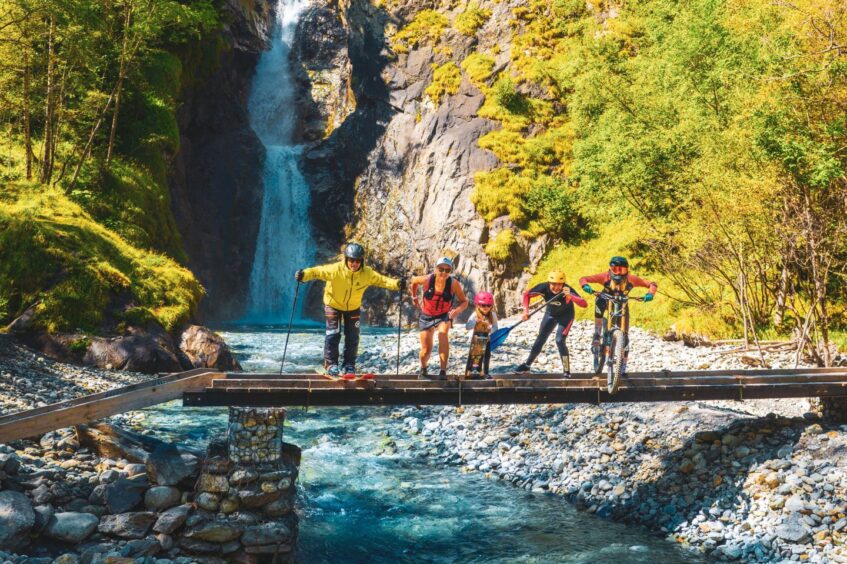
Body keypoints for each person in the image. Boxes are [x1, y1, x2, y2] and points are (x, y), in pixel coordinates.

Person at [296, 242, 403, 376]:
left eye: (358, 261)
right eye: (352, 260)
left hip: (352, 307)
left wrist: (397, 284)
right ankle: (331, 365)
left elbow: (382, 280)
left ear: (361, 261)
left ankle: (349, 365)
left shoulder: (367, 273)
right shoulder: (335, 270)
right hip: (332, 304)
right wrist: (303, 275)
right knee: (333, 334)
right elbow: (317, 271)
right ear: (346, 259)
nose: (354, 263)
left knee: (353, 337)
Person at [579, 256, 657, 374]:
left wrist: (650, 293)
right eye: (615, 269)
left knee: (625, 336)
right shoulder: (605, 276)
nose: (618, 272)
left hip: (622, 305)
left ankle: (623, 365)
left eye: (621, 269)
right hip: (605, 300)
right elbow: (583, 279)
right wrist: (585, 286)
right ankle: (597, 332)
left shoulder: (632, 279)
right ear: (610, 269)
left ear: (627, 270)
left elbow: (652, 284)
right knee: (599, 301)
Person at [515, 270, 587, 377]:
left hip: (566, 316)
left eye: (559, 284)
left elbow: (584, 304)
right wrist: (526, 311)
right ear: (549, 283)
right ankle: (527, 366)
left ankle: (566, 371)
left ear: (563, 284)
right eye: (553, 284)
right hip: (550, 315)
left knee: (559, 341)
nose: (556, 287)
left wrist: (571, 297)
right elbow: (526, 294)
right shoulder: (543, 287)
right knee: (540, 339)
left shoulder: (567, 290)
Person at [409, 257, 469, 379]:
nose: (443, 273)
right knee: (426, 351)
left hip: (443, 316)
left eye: (447, 270)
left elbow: (464, 302)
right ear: (436, 269)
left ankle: (443, 371)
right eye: (441, 269)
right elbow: (414, 281)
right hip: (427, 316)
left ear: (450, 271)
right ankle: (424, 368)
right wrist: (414, 297)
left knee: (443, 334)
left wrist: (456, 311)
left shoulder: (453, 284)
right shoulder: (427, 279)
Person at [464, 291, 499, 378]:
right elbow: (467, 327)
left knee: (486, 355)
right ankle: (468, 372)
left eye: (488, 305)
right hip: (476, 339)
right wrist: (475, 322)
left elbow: (495, 327)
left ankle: (485, 372)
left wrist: (491, 330)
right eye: (483, 305)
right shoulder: (475, 315)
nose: (486, 308)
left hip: (486, 339)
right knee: (473, 356)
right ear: (478, 305)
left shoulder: (492, 315)